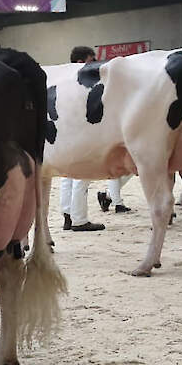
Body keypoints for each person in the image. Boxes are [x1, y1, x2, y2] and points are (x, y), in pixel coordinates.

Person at [59, 46, 133, 231]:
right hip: (80, 130)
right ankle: (79, 219)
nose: (94, 64)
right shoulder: (82, 80)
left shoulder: (64, 77)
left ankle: (68, 215)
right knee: (81, 175)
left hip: (64, 130)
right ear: (81, 62)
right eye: (91, 60)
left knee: (66, 176)